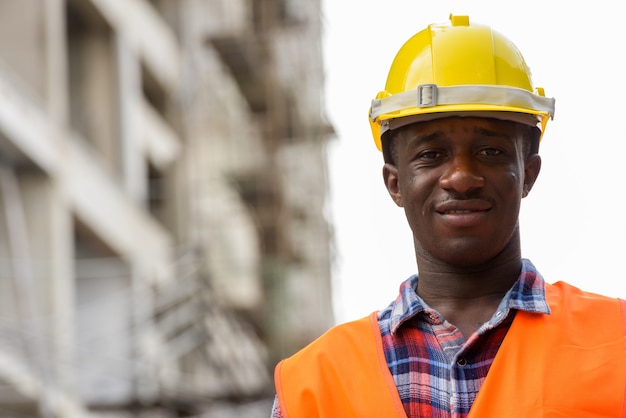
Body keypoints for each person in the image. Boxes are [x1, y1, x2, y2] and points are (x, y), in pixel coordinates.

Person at [271, 14, 626, 417]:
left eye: (490, 152)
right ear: (395, 184)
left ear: (528, 173)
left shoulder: (619, 341)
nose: (460, 177)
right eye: (430, 155)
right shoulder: (312, 386)